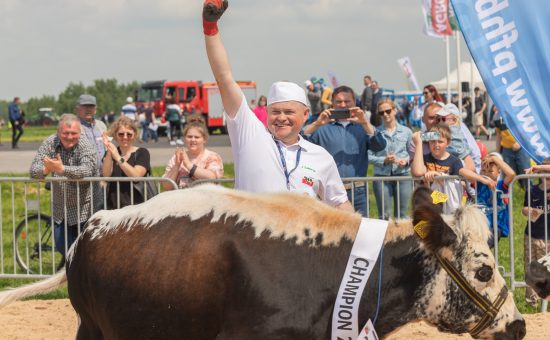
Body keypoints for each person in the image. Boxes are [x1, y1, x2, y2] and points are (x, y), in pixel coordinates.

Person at [202, 0, 352, 211]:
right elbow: (224, 78)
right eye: (275, 112)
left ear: (306, 114)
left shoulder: (320, 156)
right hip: (250, 243)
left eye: (289, 112)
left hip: (300, 242)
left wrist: (357, 236)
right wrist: (210, 27)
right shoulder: (251, 136)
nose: (282, 117)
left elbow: (339, 203)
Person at [303, 85, 386, 216]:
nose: (343, 105)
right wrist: (317, 124)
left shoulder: (362, 127)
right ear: (332, 103)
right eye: (338, 101)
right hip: (329, 192)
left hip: (358, 190)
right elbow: (299, 141)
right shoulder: (322, 127)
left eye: (347, 101)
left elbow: (380, 146)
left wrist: (365, 122)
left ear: (355, 102)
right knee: (332, 233)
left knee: (360, 232)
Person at [29, 114, 100, 257]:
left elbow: (87, 170)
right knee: (64, 248)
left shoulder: (86, 145)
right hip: (60, 209)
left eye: (73, 133)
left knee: (86, 253)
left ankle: (79, 278)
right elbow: (33, 170)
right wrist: (46, 170)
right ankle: (73, 276)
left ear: (79, 133)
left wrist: (62, 169)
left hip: (85, 209)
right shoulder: (50, 142)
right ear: (58, 132)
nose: (69, 137)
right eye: (65, 133)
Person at [411, 124, 495, 214]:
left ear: (448, 143)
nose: (436, 145)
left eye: (440, 141)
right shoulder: (425, 158)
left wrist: (483, 180)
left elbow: (464, 171)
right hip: (429, 205)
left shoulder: (454, 161)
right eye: (432, 141)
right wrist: (418, 143)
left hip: (447, 206)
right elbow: (418, 171)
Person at [368, 98, 413, 220]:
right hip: (382, 177)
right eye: (381, 113)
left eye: (388, 111)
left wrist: (406, 161)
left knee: (402, 215)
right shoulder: (375, 133)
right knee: (384, 216)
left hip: (403, 176)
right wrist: (384, 160)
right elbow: (368, 156)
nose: (385, 115)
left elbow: (413, 153)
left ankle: (403, 239)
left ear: (395, 110)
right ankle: (385, 239)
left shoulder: (407, 132)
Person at [102, 117, 152, 209]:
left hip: (138, 207)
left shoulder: (142, 152)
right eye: (121, 134)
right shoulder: (111, 153)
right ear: (115, 135)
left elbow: (136, 176)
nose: (125, 137)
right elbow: (106, 175)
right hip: (114, 207)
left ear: (135, 135)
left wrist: (118, 157)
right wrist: (109, 151)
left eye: (129, 134)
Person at [162, 115, 224, 190]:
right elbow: (166, 186)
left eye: (197, 137)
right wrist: (176, 166)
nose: (192, 140)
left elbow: (212, 178)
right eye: (189, 136)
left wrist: (188, 165)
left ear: (204, 139)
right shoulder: (177, 157)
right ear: (185, 138)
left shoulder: (212, 157)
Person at [522, 156, 550, 306]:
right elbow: (524, 208)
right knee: (532, 267)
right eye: (543, 175)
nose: (546, 178)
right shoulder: (532, 190)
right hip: (533, 236)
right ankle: (532, 301)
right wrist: (528, 211)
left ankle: (546, 300)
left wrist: (538, 168)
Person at [476, 152, 516, 247]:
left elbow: (511, 174)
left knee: (483, 248)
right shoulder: (479, 183)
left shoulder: (501, 185)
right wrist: (482, 179)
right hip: (479, 226)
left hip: (496, 227)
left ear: (499, 172)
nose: (486, 174)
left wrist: (494, 159)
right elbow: (462, 171)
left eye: (490, 171)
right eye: (483, 171)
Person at [493, 106, 532, 189]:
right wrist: (497, 151)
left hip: (522, 148)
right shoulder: (496, 116)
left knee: (526, 172)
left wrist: (520, 143)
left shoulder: (517, 111)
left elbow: (525, 129)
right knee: (508, 174)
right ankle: (509, 196)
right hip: (506, 149)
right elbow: (498, 135)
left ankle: (530, 195)